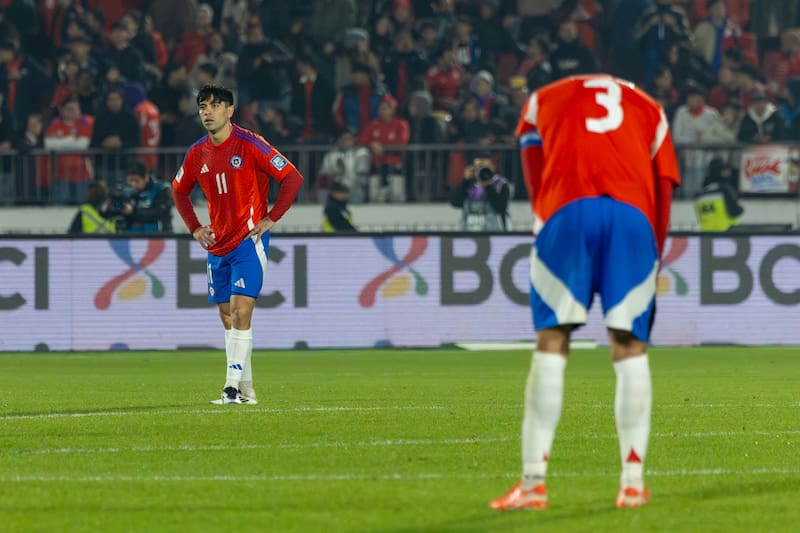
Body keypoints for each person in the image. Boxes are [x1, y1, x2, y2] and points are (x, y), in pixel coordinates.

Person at [490, 74, 680, 511]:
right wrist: (656, 246)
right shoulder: (649, 105)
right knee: (629, 346)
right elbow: (665, 182)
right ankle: (632, 483)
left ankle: (534, 485)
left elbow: (533, 174)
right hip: (632, 217)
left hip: (566, 209)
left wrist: (545, 224)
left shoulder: (541, 100)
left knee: (552, 341)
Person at [172, 84, 304, 405]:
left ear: (230, 111)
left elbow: (292, 177)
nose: (207, 111)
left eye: (215, 106)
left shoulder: (249, 144)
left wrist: (271, 218)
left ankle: (230, 389)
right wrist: (194, 228)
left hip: (248, 242)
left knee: (240, 311)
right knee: (228, 318)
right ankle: (246, 389)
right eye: (203, 105)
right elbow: (178, 190)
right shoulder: (196, 153)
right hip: (216, 244)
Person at [449, 152, 512, 231]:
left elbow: (501, 207)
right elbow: (455, 202)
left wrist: (488, 186)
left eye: (486, 167)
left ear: (493, 167)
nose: (482, 170)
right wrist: (464, 181)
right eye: (479, 167)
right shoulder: (468, 183)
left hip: (496, 234)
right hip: (469, 232)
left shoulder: (501, 184)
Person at [118, 159, 173, 233]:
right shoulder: (126, 191)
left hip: (159, 237)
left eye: (136, 180)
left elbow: (161, 212)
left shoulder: (162, 189)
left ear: (146, 177)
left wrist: (133, 211)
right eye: (130, 180)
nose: (133, 184)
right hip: (131, 237)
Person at [694, 157, 744, 231]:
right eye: (725, 170)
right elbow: (735, 211)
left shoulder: (700, 195)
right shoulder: (724, 189)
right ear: (718, 171)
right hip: (726, 235)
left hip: (706, 237)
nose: (729, 173)